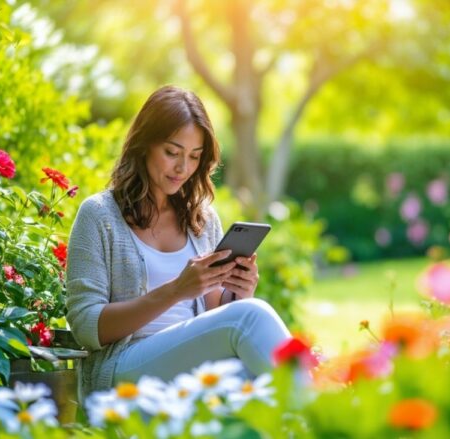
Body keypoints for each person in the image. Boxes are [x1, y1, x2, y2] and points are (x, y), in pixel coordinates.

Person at [65, 86, 291, 399]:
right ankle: (326, 418)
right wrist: (176, 290)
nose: (183, 168)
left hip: (190, 372)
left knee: (252, 383)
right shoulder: (100, 216)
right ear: (144, 145)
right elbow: (87, 327)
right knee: (251, 316)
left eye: (194, 157)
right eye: (172, 153)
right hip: (124, 371)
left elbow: (215, 313)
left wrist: (238, 290)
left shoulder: (202, 219)